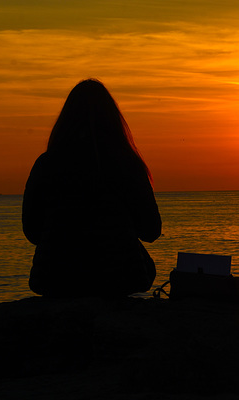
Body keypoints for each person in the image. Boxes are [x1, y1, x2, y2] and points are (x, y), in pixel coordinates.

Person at [22, 79, 162, 297]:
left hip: (54, 278)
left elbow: (31, 231)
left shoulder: (46, 163)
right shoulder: (126, 163)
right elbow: (151, 230)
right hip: (118, 278)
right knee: (146, 264)